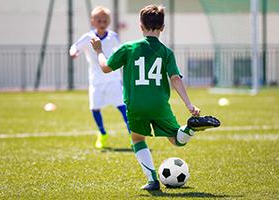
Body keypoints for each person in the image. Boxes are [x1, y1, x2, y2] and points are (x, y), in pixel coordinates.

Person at [90, 5, 220, 190]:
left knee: (137, 139)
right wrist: (189, 104)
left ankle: (152, 180)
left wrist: (99, 51)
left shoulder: (128, 48)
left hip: (136, 104)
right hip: (159, 104)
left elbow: (105, 68)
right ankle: (190, 128)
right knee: (176, 139)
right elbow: (175, 79)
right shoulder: (167, 52)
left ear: (141, 26)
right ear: (162, 27)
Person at [69, 6, 130, 149]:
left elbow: (120, 51)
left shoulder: (113, 36)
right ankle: (102, 133)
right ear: (93, 21)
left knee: (123, 108)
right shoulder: (87, 37)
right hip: (96, 80)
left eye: (105, 19)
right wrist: (73, 52)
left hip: (114, 79)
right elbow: (74, 46)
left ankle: (132, 136)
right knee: (95, 109)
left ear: (108, 21)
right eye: (99, 19)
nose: (102, 22)